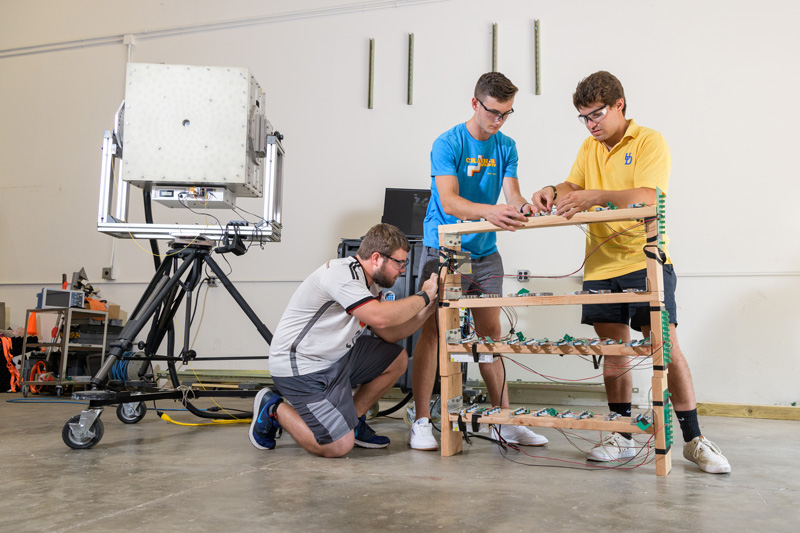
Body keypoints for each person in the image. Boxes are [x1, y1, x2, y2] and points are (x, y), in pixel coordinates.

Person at [529, 71, 730, 474]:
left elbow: (649, 196)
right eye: (584, 117)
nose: (591, 124)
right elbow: (573, 183)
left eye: (597, 114)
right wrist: (553, 190)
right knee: (614, 352)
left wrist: (598, 195)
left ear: (620, 104)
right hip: (602, 266)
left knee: (664, 347)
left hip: (644, 260)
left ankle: (693, 439)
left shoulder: (649, 141)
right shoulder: (589, 147)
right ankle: (622, 434)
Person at [408, 72, 548, 451]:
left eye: (506, 113)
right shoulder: (447, 143)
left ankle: (502, 420)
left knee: (491, 336)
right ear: (475, 104)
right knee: (436, 333)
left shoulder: (507, 146)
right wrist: (493, 212)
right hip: (447, 248)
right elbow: (450, 202)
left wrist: (525, 207)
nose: (498, 120)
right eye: (493, 112)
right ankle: (421, 419)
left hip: (485, 253)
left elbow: (513, 193)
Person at [249, 223, 439, 457]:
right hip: (301, 368)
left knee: (397, 359)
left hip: (334, 359)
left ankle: (354, 420)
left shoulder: (370, 284)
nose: (402, 269)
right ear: (377, 258)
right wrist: (423, 296)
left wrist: (428, 310)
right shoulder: (342, 274)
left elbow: (390, 333)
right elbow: (379, 318)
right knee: (338, 446)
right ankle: (273, 407)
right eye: (399, 263)